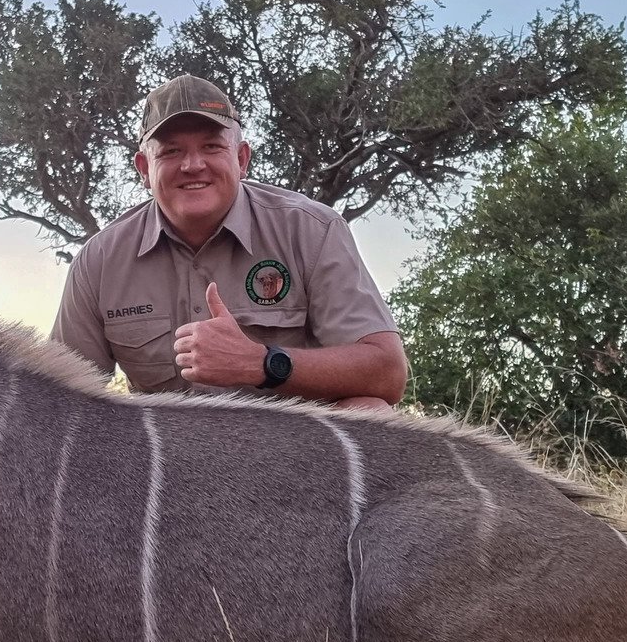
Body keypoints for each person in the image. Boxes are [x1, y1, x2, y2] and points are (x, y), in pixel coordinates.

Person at [50, 74, 408, 410]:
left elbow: (386, 373)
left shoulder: (313, 229)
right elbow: (60, 400)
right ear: (144, 169)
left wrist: (262, 363)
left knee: (369, 409)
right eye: (171, 151)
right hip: (164, 462)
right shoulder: (99, 260)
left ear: (241, 159)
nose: (193, 165)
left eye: (211, 146)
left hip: (295, 454)